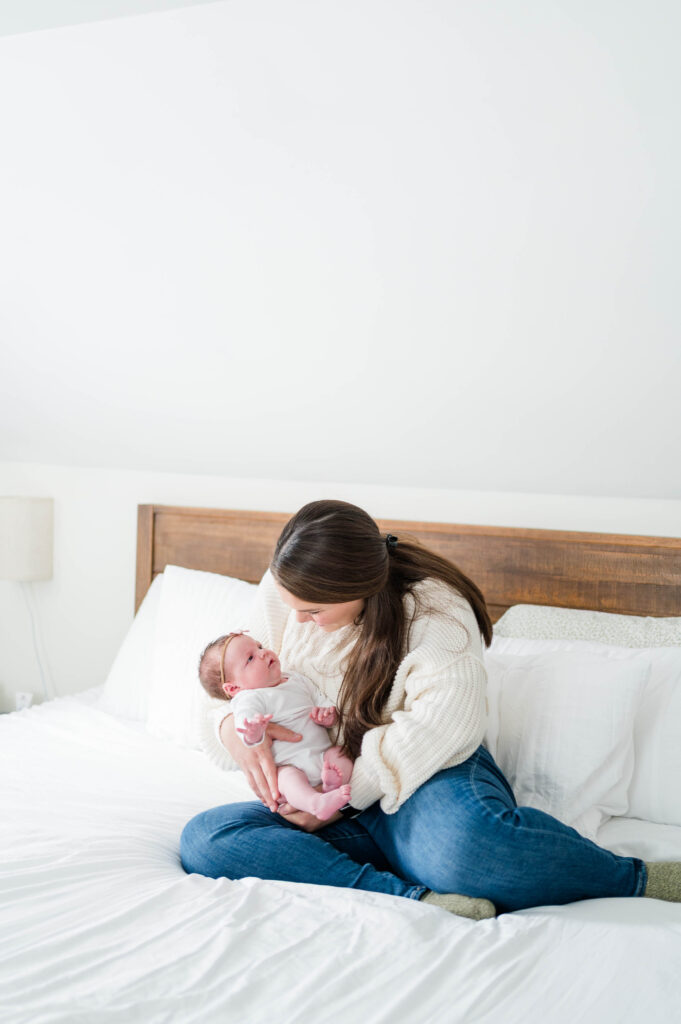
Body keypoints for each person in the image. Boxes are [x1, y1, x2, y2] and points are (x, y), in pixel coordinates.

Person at [181, 499, 681, 918]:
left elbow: (446, 725)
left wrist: (347, 795)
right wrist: (236, 733)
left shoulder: (433, 610)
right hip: (324, 789)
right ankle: (415, 893)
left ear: (357, 587)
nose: (299, 624)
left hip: (418, 772)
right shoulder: (288, 588)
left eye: (313, 611)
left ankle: (635, 877)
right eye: (293, 607)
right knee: (208, 839)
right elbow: (231, 690)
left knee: (470, 846)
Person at [198, 631, 353, 821]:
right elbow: (244, 724)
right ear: (233, 688)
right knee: (287, 779)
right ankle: (315, 803)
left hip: (323, 756)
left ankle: (331, 788)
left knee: (341, 754)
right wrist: (254, 733)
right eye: (250, 658)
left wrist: (327, 715)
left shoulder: (295, 678)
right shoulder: (249, 698)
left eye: (260, 647)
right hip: (291, 766)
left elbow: (321, 700)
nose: (263, 653)